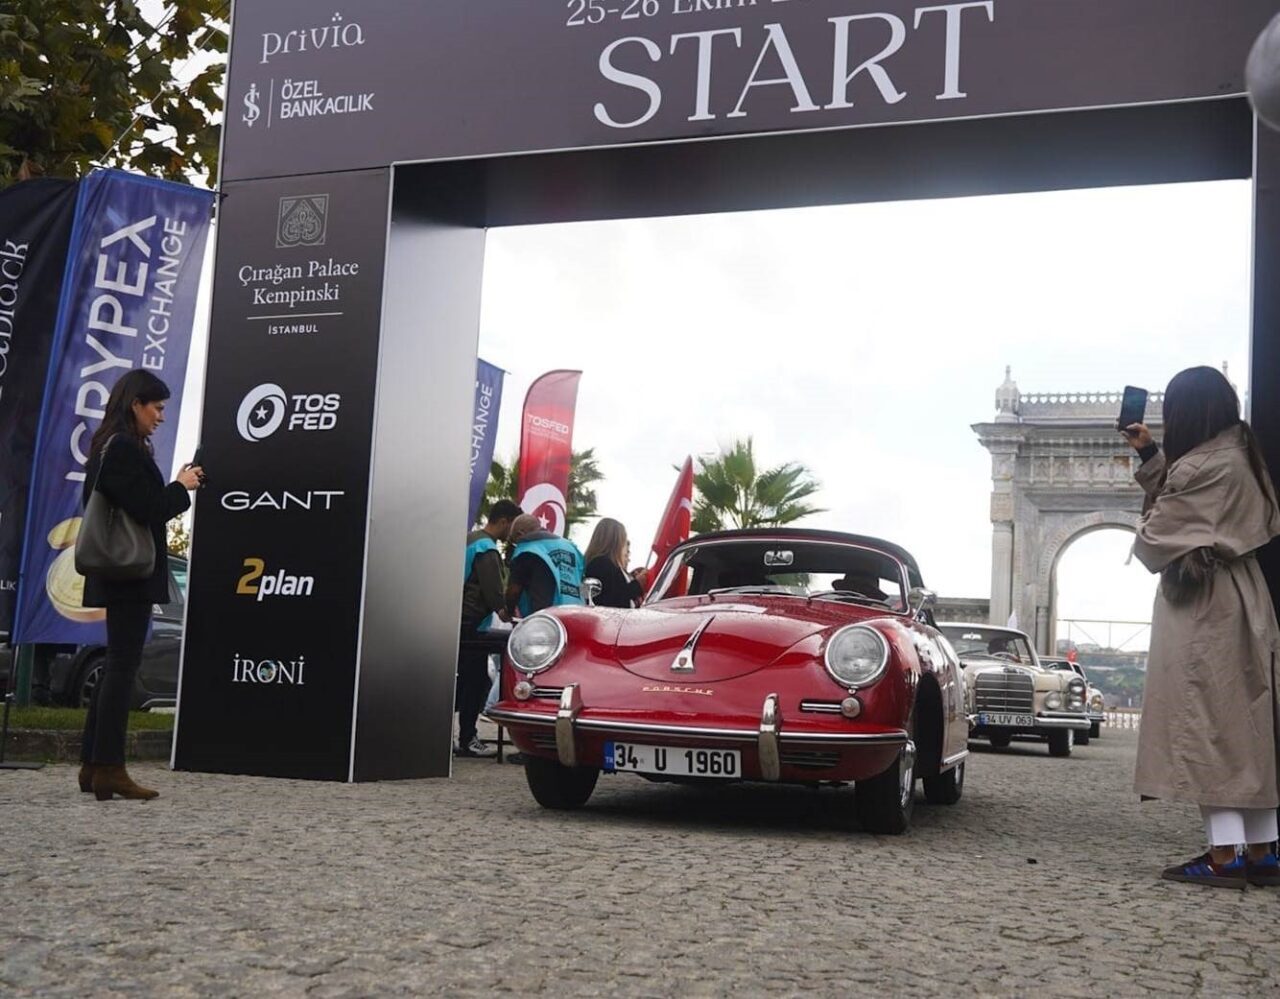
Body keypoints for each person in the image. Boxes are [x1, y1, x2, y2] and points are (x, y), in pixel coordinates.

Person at [1123, 366, 1280, 888]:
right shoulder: (1243, 454)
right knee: (1247, 727)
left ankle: (1223, 855)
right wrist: (1151, 457)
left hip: (1206, 604)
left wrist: (1150, 506)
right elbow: (1193, 507)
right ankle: (1263, 851)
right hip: (1246, 594)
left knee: (1207, 724)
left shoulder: (1201, 467)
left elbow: (1154, 538)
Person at [78, 370, 202, 801]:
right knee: (122, 666)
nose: (161, 416)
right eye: (157, 407)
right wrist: (182, 487)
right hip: (128, 572)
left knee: (117, 663)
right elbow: (149, 508)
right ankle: (109, 768)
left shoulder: (108, 446)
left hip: (118, 571)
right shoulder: (123, 449)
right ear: (136, 404)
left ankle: (93, 765)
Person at [456, 499, 521, 758]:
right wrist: (508, 613)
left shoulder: (469, 540)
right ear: (504, 521)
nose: (512, 534)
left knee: (463, 680)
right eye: (513, 526)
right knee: (476, 681)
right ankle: (468, 738)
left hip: (454, 618)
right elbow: (494, 593)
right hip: (471, 623)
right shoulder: (487, 549)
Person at [505, 514, 585, 618]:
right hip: (577, 613)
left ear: (520, 534)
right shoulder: (571, 548)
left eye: (515, 542)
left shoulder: (526, 551)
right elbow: (581, 580)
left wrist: (508, 611)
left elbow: (514, 591)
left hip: (545, 619)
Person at [583, 518, 648, 608]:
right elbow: (612, 599)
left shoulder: (596, 564)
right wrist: (637, 585)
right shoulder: (601, 564)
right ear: (617, 542)